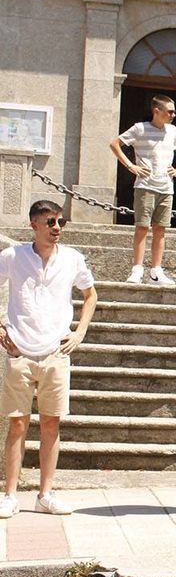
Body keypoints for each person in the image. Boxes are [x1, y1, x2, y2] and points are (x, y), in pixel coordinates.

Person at [0, 201, 97, 519]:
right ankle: (10, 494)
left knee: (51, 423)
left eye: (61, 222)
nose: (57, 227)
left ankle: (46, 494)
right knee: (17, 424)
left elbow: (90, 293)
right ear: (34, 226)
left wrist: (80, 330)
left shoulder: (71, 258)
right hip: (20, 350)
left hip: (56, 350)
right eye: (50, 222)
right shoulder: (13, 256)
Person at [110, 94, 176, 285]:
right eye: (170, 111)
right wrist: (131, 166)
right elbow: (115, 144)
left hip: (166, 187)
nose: (173, 114)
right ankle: (137, 269)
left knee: (160, 229)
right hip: (145, 185)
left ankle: (156, 270)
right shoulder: (140, 128)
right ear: (157, 111)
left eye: (174, 111)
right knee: (142, 227)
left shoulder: (173, 131)